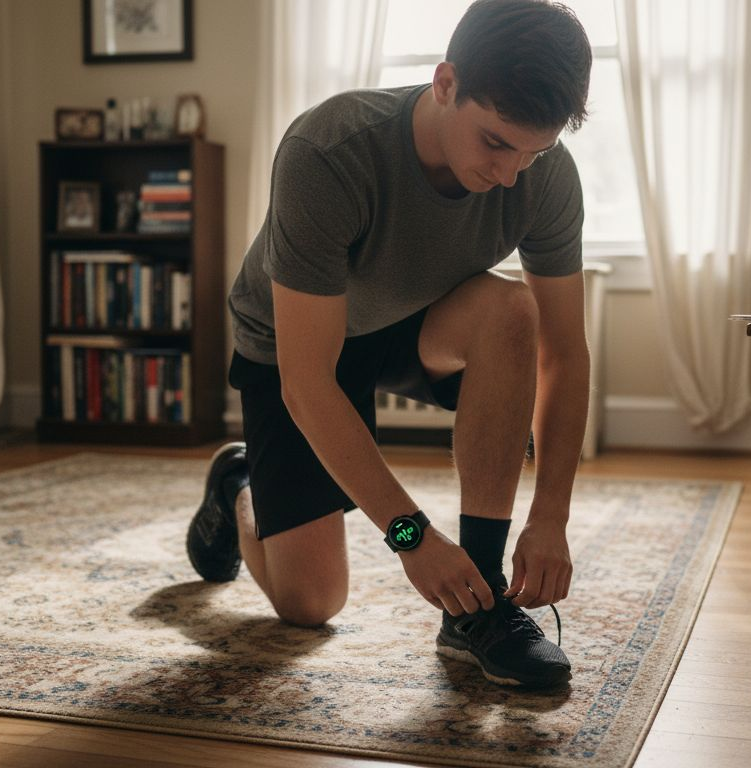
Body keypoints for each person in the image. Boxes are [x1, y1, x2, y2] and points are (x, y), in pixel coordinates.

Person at [187, 0, 592, 690]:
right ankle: (239, 485)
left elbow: (565, 353)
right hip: (296, 343)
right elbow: (309, 380)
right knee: (311, 605)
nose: (510, 174)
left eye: (536, 150)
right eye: (495, 143)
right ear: (444, 83)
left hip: (412, 321)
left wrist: (551, 515)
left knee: (511, 311)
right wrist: (410, 538)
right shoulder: (330, 152)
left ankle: (477, 604)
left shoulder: (541, 176)